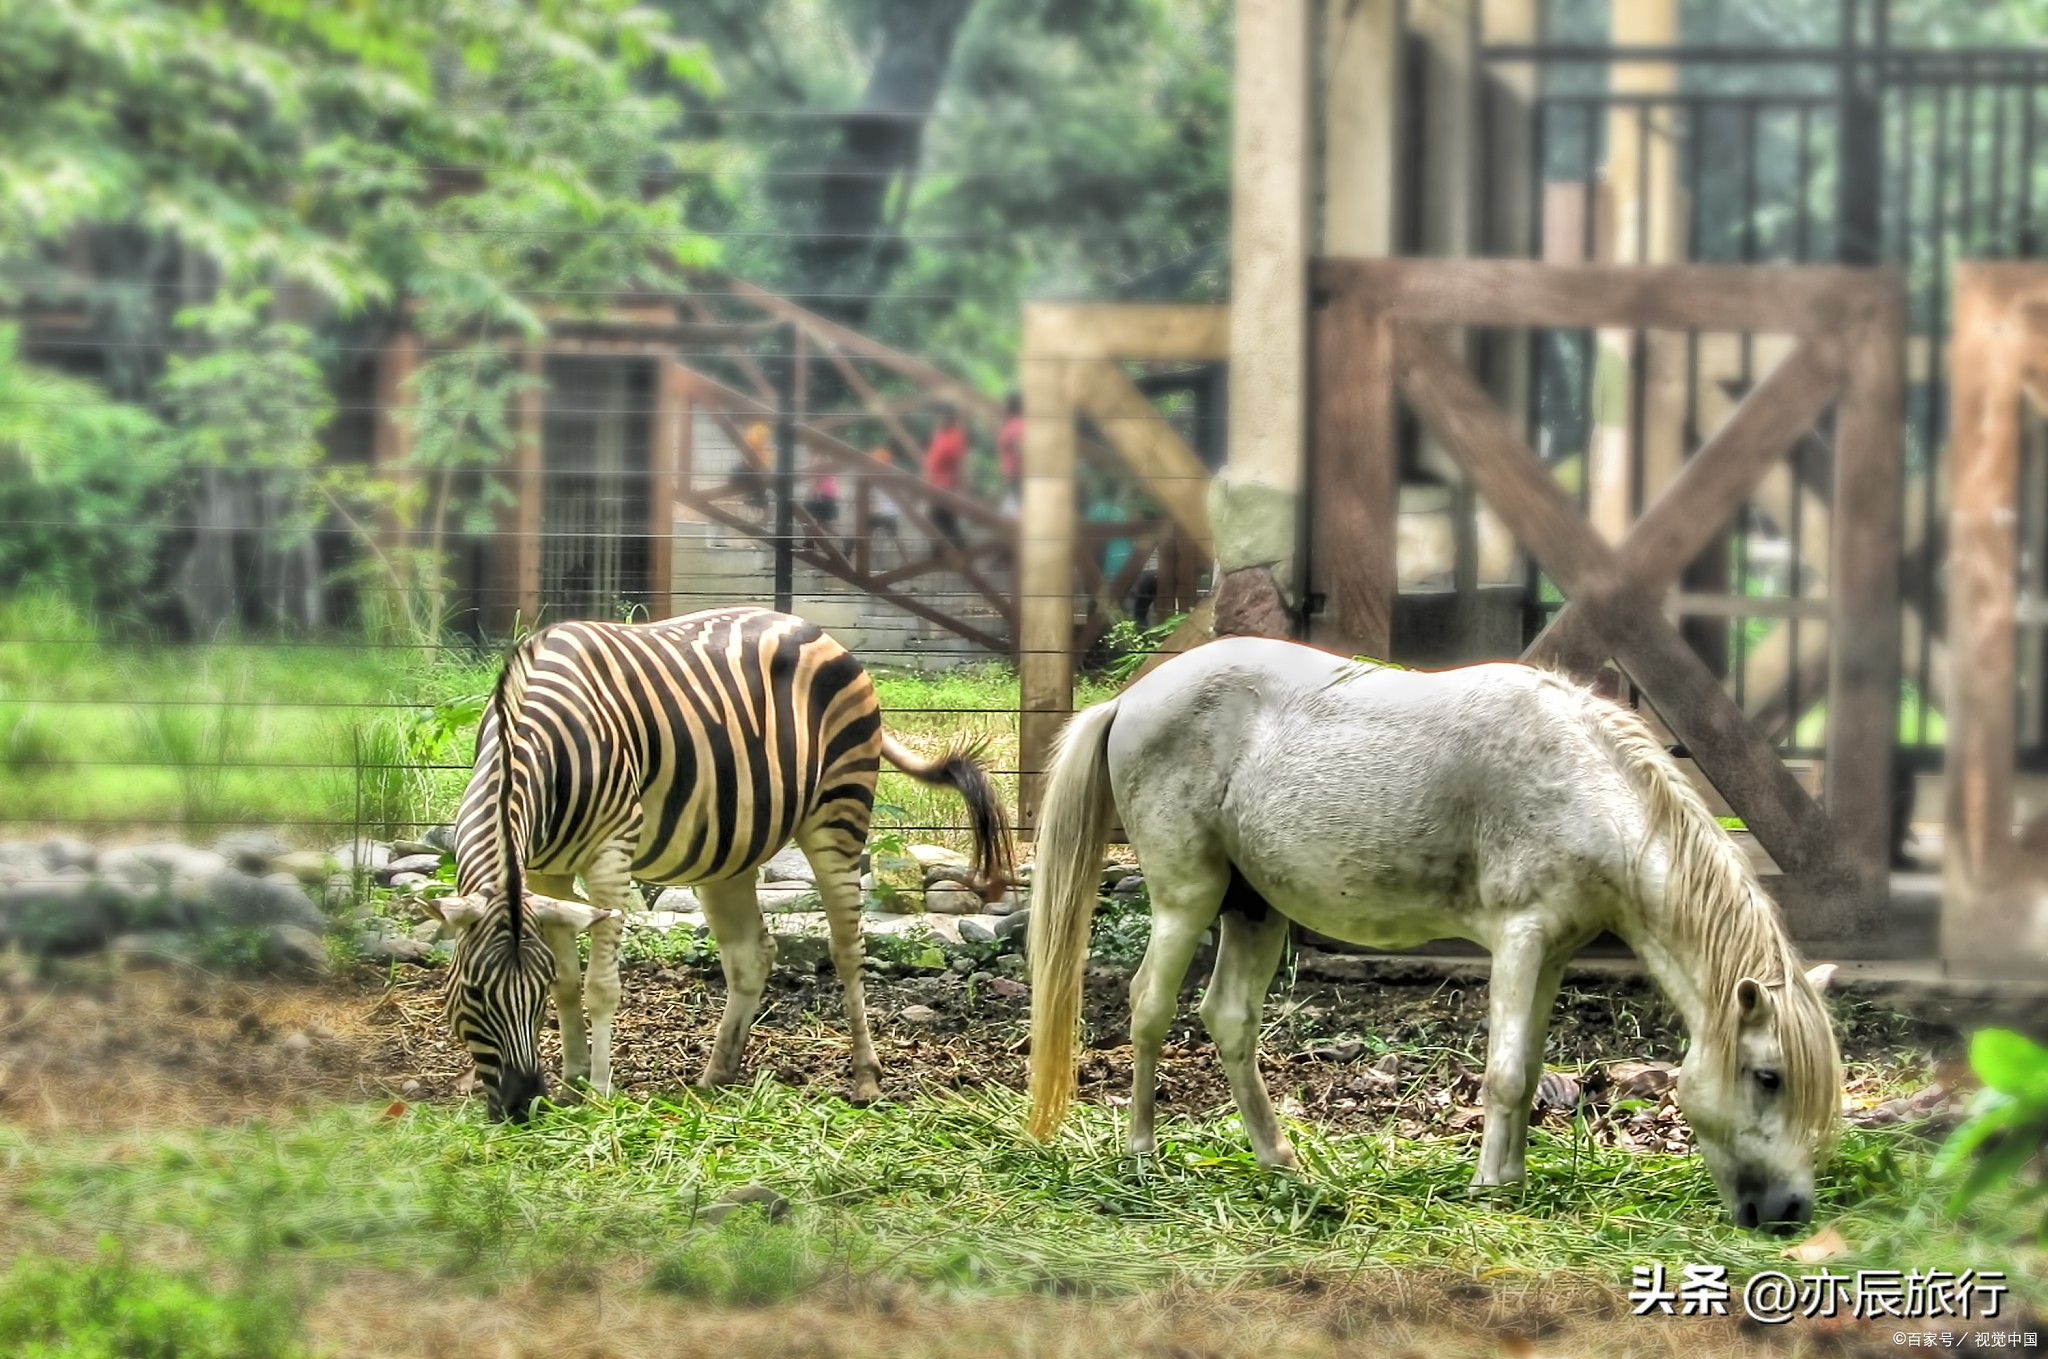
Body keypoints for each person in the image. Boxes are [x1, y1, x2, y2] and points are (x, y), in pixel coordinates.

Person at [921, 406, 968, 552]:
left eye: (941, 417)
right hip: (935, 485)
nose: (938, 420)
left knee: (941, 519)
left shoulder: (954, 437)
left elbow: (958, 463)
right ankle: (949, 551)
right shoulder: (940, 434)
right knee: (942, 520)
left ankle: (947, 551)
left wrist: (959, 487)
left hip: (945, 486)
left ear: (949, 420)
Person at [996, 391, 1024, 515]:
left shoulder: (1017, 425)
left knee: (1015, 513)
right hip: (1013, 476)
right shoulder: (1012, 424)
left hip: (1016, 476)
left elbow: (1020, 449)